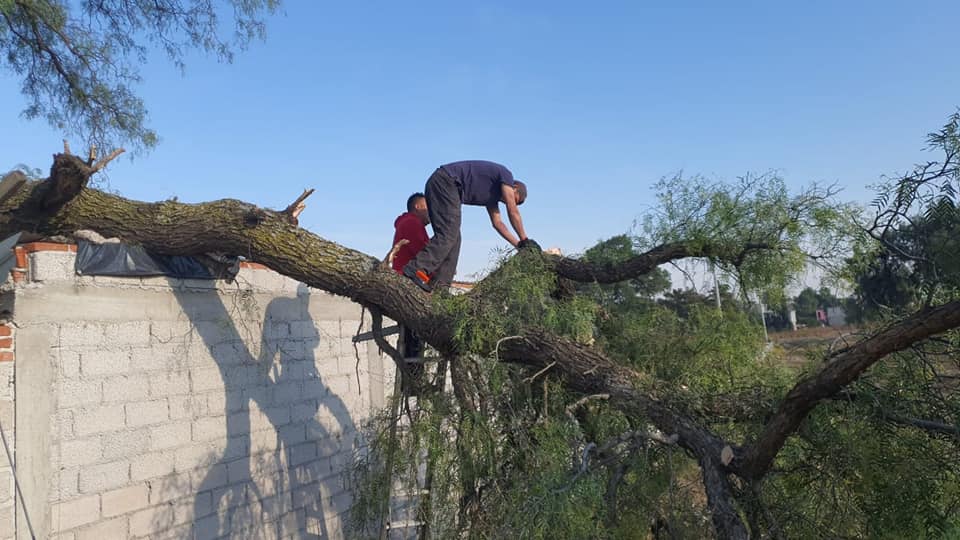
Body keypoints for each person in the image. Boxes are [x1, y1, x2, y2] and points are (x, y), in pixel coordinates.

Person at [403, 160, 538, 291]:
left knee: (454, 238)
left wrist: (519, 245)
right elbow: (512, 210)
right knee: (449, 234)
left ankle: (440, 288)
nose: (507, 202)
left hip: (443, 184)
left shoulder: (492, 196)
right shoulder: (506, 175)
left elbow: (498, 223)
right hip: (446, 181)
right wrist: (525, 239)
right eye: (514, 198)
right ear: (514, 187)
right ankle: (415, 268)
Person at [391, 192, 430, 273]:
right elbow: (422, 251)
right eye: (428, 206)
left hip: (404, 273)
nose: (430, 211)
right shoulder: (412, 223)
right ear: (417, 207)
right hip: (408, 276)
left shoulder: (407, 222)